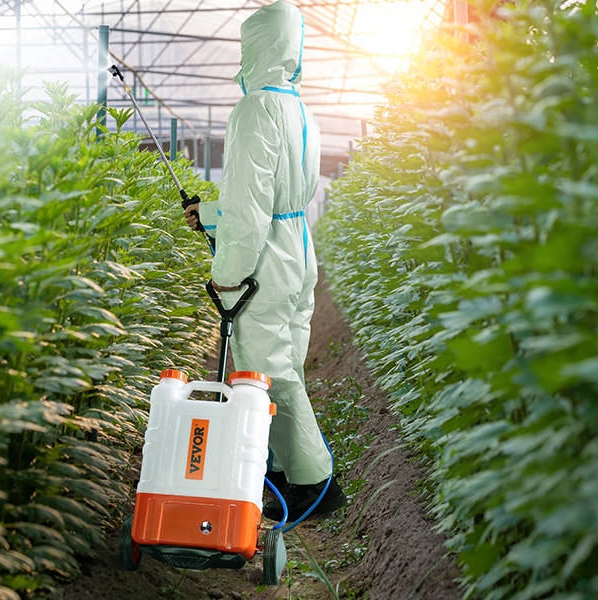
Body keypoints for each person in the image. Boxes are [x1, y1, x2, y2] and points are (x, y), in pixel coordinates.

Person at [183, 0, 345, 522]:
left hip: (267, 259)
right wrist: (210, 214)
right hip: (296, 246)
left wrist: (227, 274)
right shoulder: (299, 109)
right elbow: (276, 195)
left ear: (257, 47)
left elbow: (250, 204)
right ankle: (278, 473)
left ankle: (315, 484)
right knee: (285, 365)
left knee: (265, 371)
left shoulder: (254, 109)